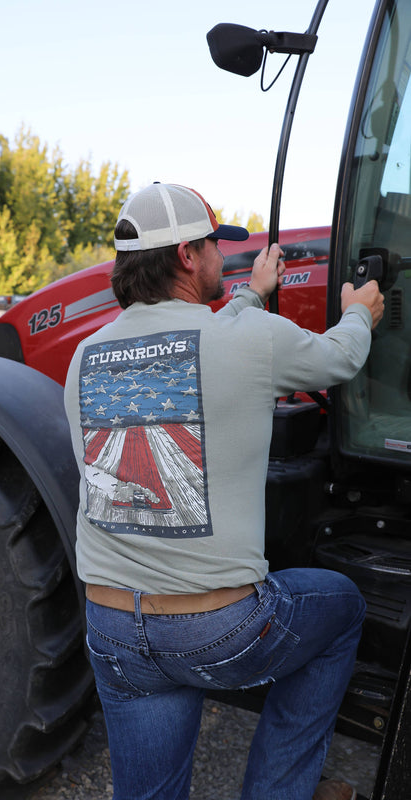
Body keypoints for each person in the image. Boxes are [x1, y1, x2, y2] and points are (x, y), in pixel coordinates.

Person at [63, 182, 385, 800]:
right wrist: (360, 312)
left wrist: (251, 296)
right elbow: (339, 359)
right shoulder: (247, 343)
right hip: (218, 630)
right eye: (216, 245)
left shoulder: (84, 357)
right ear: (188, 255)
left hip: (111, 626)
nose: (224, 259)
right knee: (340, 606)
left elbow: (200, 342)